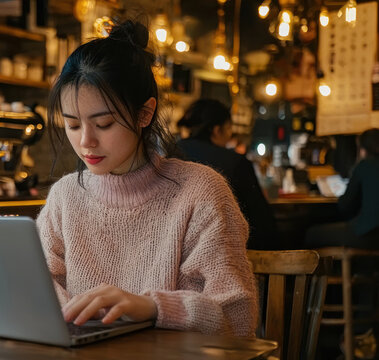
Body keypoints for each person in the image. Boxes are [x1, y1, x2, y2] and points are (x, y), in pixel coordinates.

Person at [36, 20, 257, 337]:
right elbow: (38, 285)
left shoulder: (199, 192)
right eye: (72, 125)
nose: (86, 141)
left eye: (104, 124)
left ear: (144, 113)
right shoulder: (65, 197)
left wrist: (153, 307)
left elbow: (236, 320)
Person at [177, 99, 276, 250]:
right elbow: (261, 219)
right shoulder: (234, 162)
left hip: (175, 250)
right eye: (229, 128)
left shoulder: (168, 155)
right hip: (226, 252)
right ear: (217, 130)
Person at [305, 128, 379, 249]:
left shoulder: (364, 166)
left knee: (312, 234)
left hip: (368, 234)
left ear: (363, 149)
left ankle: (334, 268)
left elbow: (345, 205)